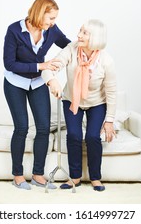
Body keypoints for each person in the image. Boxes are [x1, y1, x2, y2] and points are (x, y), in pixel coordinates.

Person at [3, 0, 70, 190]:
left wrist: (86, 47)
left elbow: (67, 45)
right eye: (51, 18)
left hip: (38, 82)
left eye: (55, 19)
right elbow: (9, 64)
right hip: (15, 82)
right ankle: (17, 175)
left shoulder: (51, 31)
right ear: (40, 13)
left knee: (43, 128)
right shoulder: (14, 30)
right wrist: (42, 65)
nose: (53, 23)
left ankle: (38, 175)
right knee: (22, 128)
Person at [42, 19, 117, 191]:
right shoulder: (71, 49)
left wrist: (110, 120)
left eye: (84, 33)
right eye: (80, 31)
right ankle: (74, 177)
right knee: (74, 135)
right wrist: (51, 80)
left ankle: (95, 178)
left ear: (95, 37)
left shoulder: (106, 61)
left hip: (97, 103)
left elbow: (111, 92)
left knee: (92, 137)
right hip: (72, 99)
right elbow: (50, 67)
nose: (78, 35)